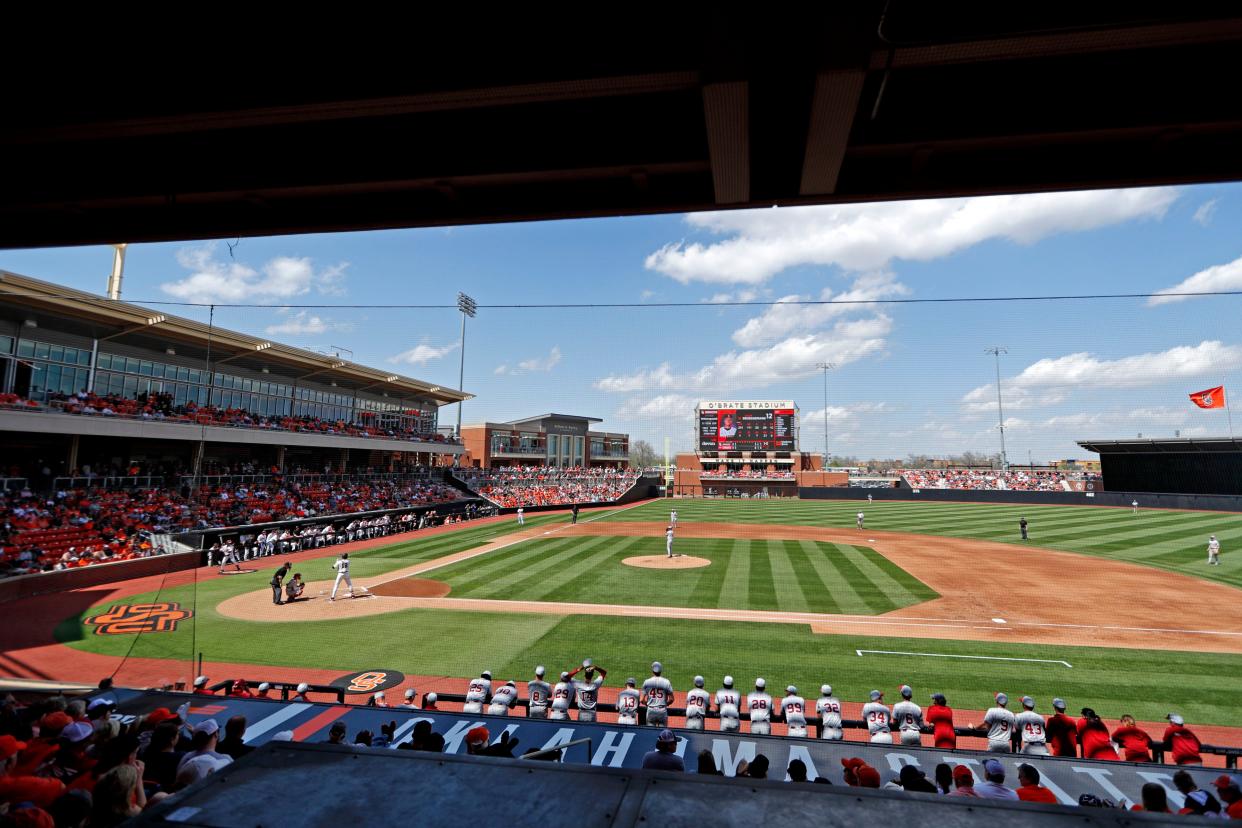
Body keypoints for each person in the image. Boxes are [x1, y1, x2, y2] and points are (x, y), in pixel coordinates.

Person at [641, 662, 673, 728]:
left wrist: (647, 704)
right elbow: (671, 699)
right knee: (662, 732)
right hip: (662, 710)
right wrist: (665, 704)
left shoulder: (647, 682)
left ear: (652, 670)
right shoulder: (666, 682)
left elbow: (641, 700)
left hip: (651, 710)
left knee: (650, 731)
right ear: (661, 670)